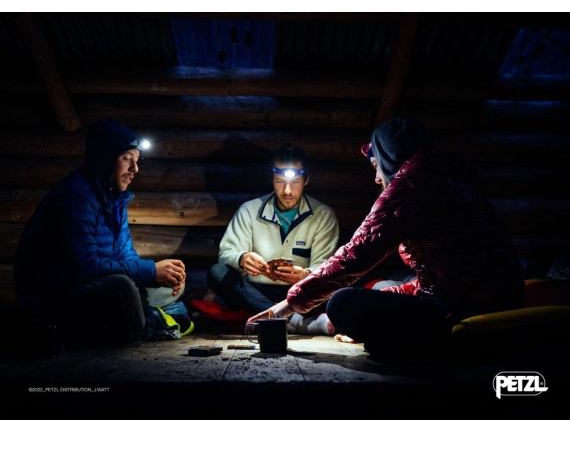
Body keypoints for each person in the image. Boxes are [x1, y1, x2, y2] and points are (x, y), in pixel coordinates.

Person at [247, 117, 526, 358]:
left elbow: (355, 255)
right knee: (383, 289)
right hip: (495, 305)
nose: (377, 179)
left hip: (461, 312)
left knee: (343, 303)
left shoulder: (411, 184)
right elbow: (449, 274)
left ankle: (429, 349)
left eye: (375, 166)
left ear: (390, 159)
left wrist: (286, 306)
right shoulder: (454, 180)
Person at [14, 118, 192, 349]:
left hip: (96, 288)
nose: (135, 169)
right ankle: (148, 322)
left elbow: (125, 255)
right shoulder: (76, 197)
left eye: (137, 160)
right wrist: (150, 271)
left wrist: (159, 274)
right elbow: (86, 267)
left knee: (170, 284)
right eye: (126, 158)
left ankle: (148, 317)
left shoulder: (114, 198)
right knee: (123, 288)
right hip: (56, 297)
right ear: (105, 158)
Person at [207, 144, 340, 335]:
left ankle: (275, 318)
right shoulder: (249, 210)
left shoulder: (323, 215)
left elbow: (325, 265)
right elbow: (226, 254)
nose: (287, 191)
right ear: (272, 179)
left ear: (306, 180)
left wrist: (304, 275)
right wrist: (242, 258)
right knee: (217, 273)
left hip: (301, 292)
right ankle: (294, 322)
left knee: (339, 287)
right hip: (256, 291)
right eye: (280, 181)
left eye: (295, 182)